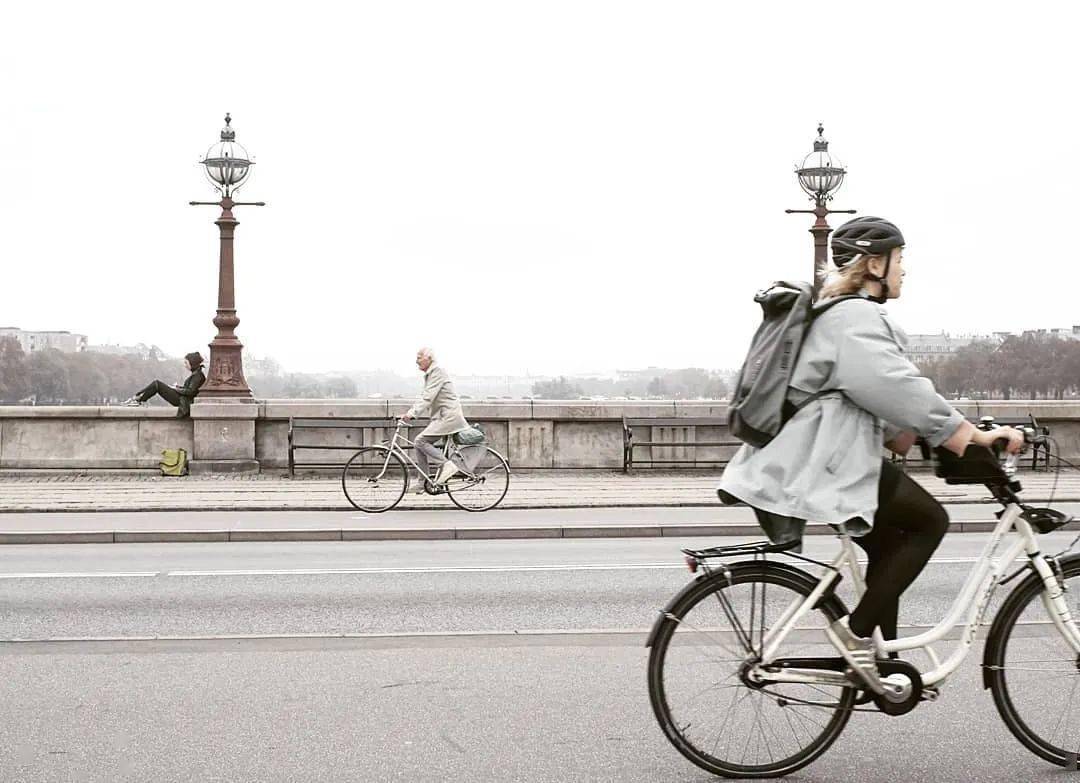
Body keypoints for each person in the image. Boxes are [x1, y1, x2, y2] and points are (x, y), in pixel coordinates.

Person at [717, 216, 1024, 694]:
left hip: (821, 455)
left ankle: (881, 666)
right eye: (900, 261)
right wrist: (967, 434)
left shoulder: (839, 314)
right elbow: (896, 387)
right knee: (929, 522)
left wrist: (922, 436)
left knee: (887, 545)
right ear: (875, 263)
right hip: (821, 460)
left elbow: (874, 398)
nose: (904, 271)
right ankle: (856, 637)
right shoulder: (855, 317)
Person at [401, 347, 472, 492]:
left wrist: (411, 413)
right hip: (442, 417)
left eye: (419, 357)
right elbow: (425, 397)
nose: (416, 360)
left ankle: (447, 465)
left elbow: (428, 397)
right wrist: (411, 411)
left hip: (448, 417)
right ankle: (423, 482)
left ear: (429, 358)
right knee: (419, 444)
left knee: (420, 441)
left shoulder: (437, 372)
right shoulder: (431, 374)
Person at [123, 352, 206, 418]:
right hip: (182, 400)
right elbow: (190, 390)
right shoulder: (197, 374)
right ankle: (138, 398)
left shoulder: (198, 375)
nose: (185, 365)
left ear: (192, 363)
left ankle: (138, 399)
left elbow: (191, 392)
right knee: (156, 384)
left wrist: (175, 389)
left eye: (186, 363)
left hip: (183, 401)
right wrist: (177, 387)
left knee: (157, 384)